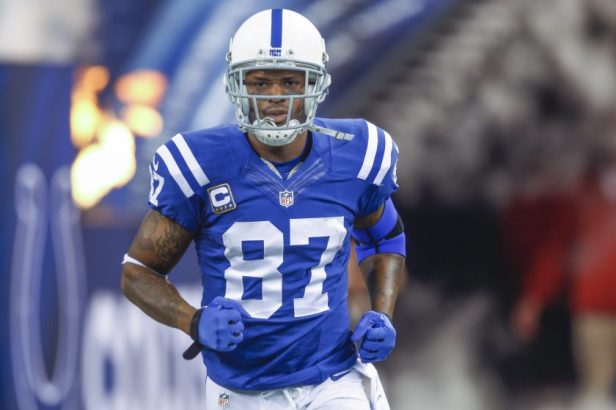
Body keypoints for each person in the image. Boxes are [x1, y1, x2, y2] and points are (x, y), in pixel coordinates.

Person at [121, 8, 405, 410]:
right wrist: (194, 321)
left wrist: (384, 313)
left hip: (333, 380)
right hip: (240, 392)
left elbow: (386, 237)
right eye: (260, 82)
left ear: (316, 83)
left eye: (290, 81)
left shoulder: (355, 153)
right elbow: (138, 272)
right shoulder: (201, 163)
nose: (275, 97)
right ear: (238, 85)